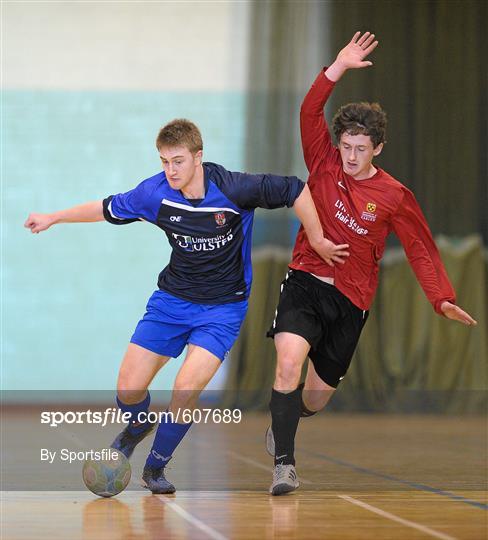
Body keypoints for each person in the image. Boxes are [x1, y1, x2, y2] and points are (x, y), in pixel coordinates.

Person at [24, 118, 346, 494]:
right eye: (164, 161)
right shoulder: (154, 194)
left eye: (178, 160)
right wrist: (54, 217)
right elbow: (104, 207)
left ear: (198, 157)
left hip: (223, 309)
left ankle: (155, 467)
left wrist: (319, 239)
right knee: (128, 389)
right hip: (170, 303)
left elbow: (295, 190)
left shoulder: (235, 187)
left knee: (185, 388)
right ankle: (138, 425)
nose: (170, 170)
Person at [265, 32, 477, 496]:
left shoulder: (394, 196)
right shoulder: (323, 161)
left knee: (314, 398)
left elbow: (420, 247)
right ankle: (284, 461)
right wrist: (336, 67)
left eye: (362, 149)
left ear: (377, 148)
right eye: (347, 146)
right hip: (305, 280)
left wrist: (441, 298)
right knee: (287, 363)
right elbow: (307, 112)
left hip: (351, 300)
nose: (352, 156)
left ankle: (288, 422)